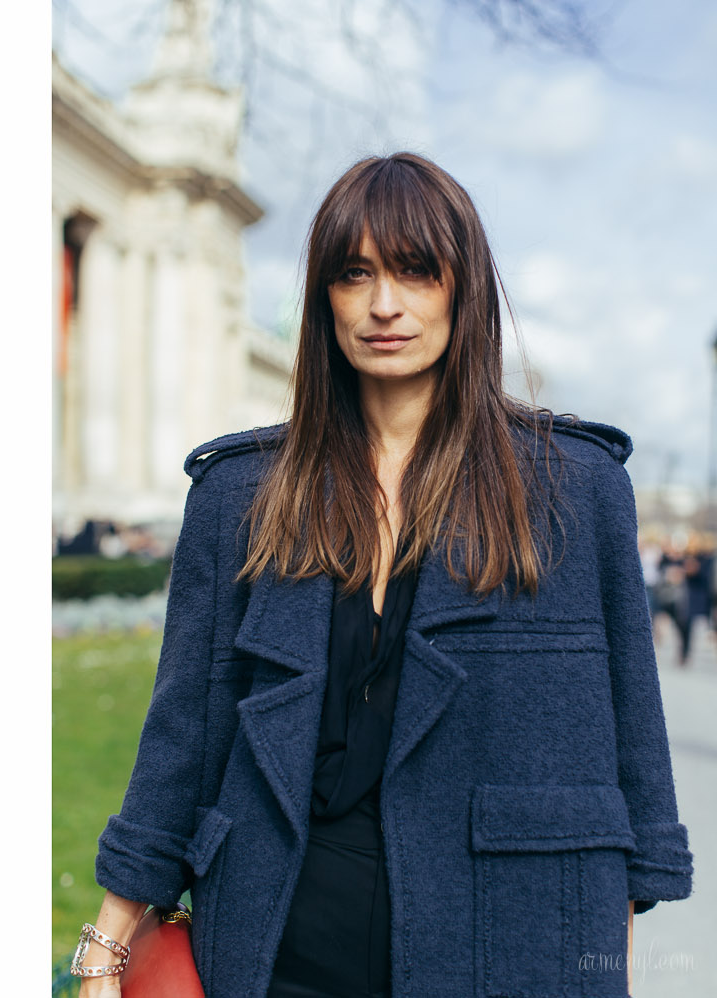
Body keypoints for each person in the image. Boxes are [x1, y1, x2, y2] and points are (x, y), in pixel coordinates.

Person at [73, 153, 692, 998]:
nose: (384, 304)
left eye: (414, 270)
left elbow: (632, 745)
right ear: (323, 298)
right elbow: (185, 730)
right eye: (353, 273)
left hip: (504, 937)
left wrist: (604, 950)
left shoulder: (574, 487)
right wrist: (108, 944)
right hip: (276, 934)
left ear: (461, 287)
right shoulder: (241, 495)